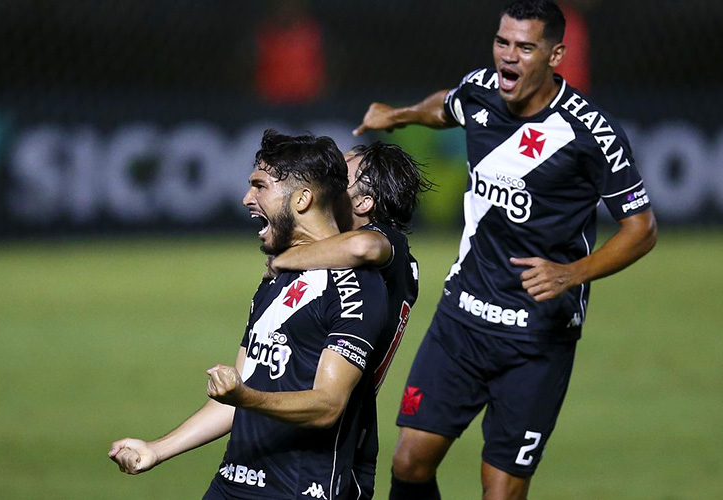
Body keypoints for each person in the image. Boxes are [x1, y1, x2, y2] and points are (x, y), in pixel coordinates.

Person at [353, 1, 658, 499]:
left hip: (537, 334)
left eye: (525, 47)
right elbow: (446, 106)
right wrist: (398, 115)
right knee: (409, 462)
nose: (508, 57)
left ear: (556, 54)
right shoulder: (481, 90)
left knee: (500, 490)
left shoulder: (592, 133)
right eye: (502, 42)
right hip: (464, 315)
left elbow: (641, 229)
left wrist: (570, 274)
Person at [109, 130, 389, 500]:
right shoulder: (278, 277)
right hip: (232, 484)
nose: (247, 198)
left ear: (302, 198)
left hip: (299, 490)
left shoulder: (355, 287)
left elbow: (327, 405)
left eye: (260, 186)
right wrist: (157, 449)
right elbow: (238, 391)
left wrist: (246, 397)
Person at [269, 142, 432, 500]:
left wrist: (286, 259)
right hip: (336, 419)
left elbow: (364, 247)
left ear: (363, 203)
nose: (328, 179)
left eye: (341, 176)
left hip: (342, 433)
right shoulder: (393, 263)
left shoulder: (388, 245)